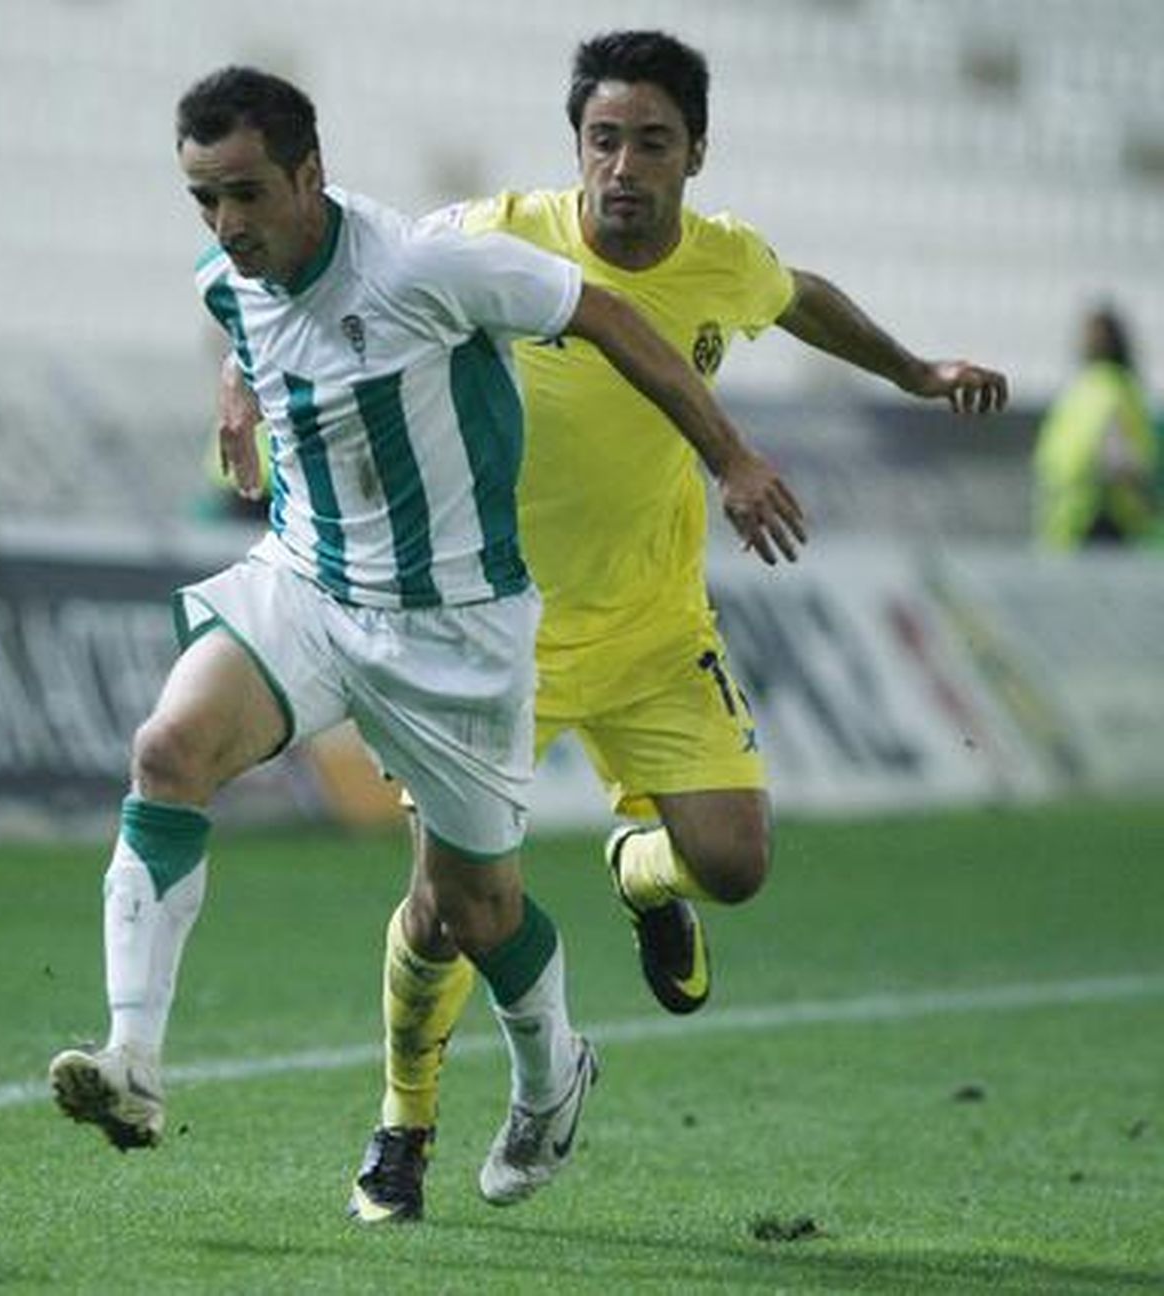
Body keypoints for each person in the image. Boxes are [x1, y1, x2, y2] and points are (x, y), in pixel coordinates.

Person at [218, 30, 1009, 1223]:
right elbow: (305, 272)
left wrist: (909, 370)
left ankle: (640, 875)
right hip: (489, 639)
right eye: (602, 140)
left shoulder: (720, 261)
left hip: (650, 630)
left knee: (735, 865)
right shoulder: (493, 236)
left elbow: (798, 301)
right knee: (442, 908)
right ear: (574, 147)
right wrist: (238, 388)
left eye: (650, 142)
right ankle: (403, 1126)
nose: (622, 166)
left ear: (696, 152)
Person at [47, 64, 805, 1212]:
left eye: (246, 194)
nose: (226, 225)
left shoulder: (425, 267)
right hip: (308, 581)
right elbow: (246, 324)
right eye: (203, 199)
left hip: (452, 628)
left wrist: (731, 456)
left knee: (471, 913)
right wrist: (238, 397)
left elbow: (606, 316)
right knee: (169, 749)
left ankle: (554, 1076)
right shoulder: (231, 275)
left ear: (311, 175)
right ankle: (133, 1063)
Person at [1034, 304, 1156, 549]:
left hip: (1070, 520)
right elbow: (1118, 459)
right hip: (1103, 518)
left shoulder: (1079, 390)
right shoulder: (1115, 388)